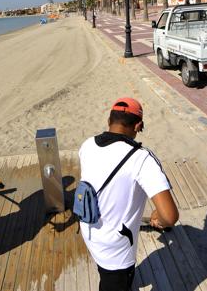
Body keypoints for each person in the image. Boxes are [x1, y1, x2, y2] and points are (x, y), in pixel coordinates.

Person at [78, 97, 179, 291]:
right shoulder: (141, 159)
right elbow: (170, 216)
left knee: (104, 272)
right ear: (138, 125)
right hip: (116, 250)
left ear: (109, 120)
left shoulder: (87, 145)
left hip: (89, 231)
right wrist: (160, 220)